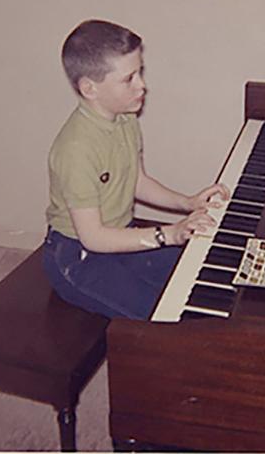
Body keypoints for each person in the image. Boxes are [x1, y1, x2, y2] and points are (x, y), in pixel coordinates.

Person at [42, 19, 229, 320]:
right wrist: (167, 234)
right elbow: (93, 238)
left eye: (139, 72)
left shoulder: (124, 120)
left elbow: (137, 181)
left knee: (198, 277)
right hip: (78, 257)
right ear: (89, 88)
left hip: (120, 236)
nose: (142, 85)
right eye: (128, 78)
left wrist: (188, 202)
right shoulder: (76, 149)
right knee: (165, 316)